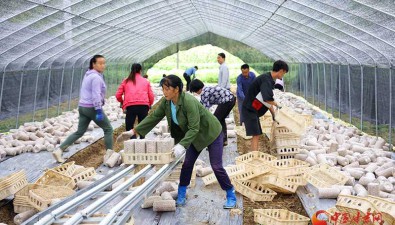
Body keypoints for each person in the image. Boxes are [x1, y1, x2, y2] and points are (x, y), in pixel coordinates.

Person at [116, 75, 237, 209]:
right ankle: (181, 193)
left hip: (210, 133)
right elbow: (154, 117)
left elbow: (194, 127)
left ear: (177, 89)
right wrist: (133, 131)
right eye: (163, 88)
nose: (164, 92)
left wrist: (181, 145)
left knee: (216, 166)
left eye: (167, 89)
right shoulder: (166, 102)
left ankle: (230, 193)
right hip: (194, 137)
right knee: (187, 164)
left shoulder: (188, 101)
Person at [52, 55, 113, 162]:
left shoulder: (88, 74)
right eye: (100, 63)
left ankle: (59, 150)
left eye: (104, 63)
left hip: (83, 107)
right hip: (92, 108)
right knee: (108, 129)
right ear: (93, 64)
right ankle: (110, 155)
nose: (103, 65)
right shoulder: (96, 77)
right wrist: (98, 110)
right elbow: (96, 95)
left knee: (80, 131)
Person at [242, 60, 288, 152]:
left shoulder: (269, 79)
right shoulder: (266, 80)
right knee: (256, 134)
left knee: (257, 133)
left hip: (252, 109)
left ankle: (254, 153)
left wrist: (273, 114)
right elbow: (268, 99)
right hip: (249, 109)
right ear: (281, 71)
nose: (283, 75)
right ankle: (254, 156)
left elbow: (266, 101)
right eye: (284, 73)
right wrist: (277, 104)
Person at [189, 79, 236, 146]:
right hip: (231, 99)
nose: (196, 93)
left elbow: (205, 110)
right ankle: (223, 140)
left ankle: (216, 142)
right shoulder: (206, 89)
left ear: (197, 89)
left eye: (195, 91)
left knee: (215, 120)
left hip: (227, 100)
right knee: (220, 119)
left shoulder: (204, 92)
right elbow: (201, 106)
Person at [115, 63, 154, 139]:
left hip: (130, 106)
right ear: (140, 70)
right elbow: (151, 96)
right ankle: (142, 142)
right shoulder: (145, 81)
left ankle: (133, 142)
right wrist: (149, 104)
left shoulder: (126, 81)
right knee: (143, 125)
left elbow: (118, 95)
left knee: (129, 126)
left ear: (131, 70)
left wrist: (122, 102)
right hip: (143, 106)